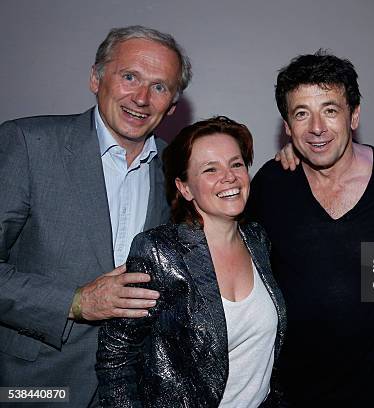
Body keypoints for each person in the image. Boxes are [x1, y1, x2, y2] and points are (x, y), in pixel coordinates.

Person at [0, 26, 191, 407]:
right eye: (129, 76)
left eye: (159, 86)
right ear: (95, 78)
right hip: (36, 386)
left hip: (133, 389)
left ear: (172, 105)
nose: (141, 98)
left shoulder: (176, 169)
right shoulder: (27, 144)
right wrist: (74, 302)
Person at [246, 51, 374, 407]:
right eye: (301, 114)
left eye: (330, 110)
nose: (316, 128)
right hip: (294, 391)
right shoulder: (272, 183)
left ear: (354, 115)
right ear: (288, 126)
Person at [96, 116, 286, 407]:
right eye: (210, 169)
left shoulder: (258, 239)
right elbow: (116, 356)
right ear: (185, 188)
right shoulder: (158, 251)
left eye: (236, 164)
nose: (229, 177)